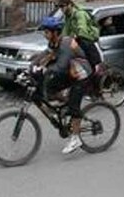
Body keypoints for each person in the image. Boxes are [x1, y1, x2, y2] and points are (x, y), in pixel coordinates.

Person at [32, 16, 92, 154]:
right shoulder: (53, 43)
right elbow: (45, 55)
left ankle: (76, 138)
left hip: (80, 74)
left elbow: (61, 65)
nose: (45, 35)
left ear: (55, 32)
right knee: (50, 88)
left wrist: (44, 70)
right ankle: (66, 106)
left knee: (74, 105)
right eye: (44, 32)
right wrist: (31, 66)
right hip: (69, 73)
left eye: (47, 32)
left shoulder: (66, 43)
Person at [55, 0, 101, 73]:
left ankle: (95, 67)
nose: (61, 9)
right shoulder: (68, 16)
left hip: (88, 36)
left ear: (70, 5)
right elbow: (66, 31)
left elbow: (82, 30)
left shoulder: (80, 14)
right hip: (76, 37)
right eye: (60, 7)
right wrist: (59, 40)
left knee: (83, 43)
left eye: (62, 6)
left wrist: (74, 38)